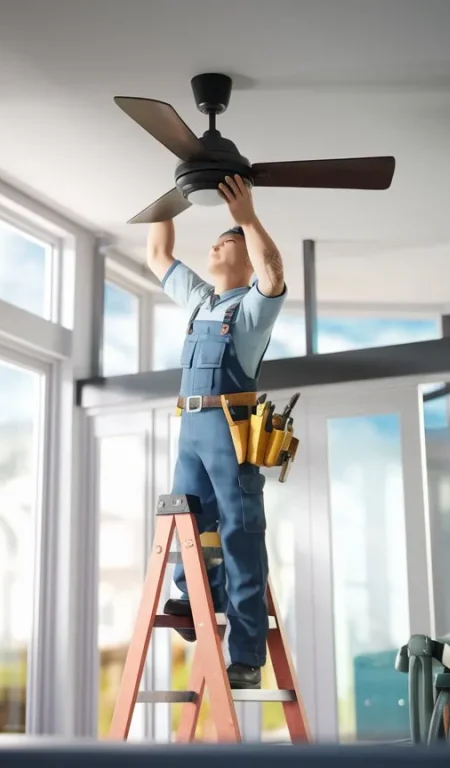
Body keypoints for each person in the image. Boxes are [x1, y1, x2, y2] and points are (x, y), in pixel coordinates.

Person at [144, 175, 286, 689]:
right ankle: (196, 594)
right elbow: (158, 253)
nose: (216, 243)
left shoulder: (251, 312)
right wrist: (173, 191)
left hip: (231, 431)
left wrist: (247, 217)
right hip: (190, 429)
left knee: (240, 536)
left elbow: (274, 272)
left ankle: (246, 655)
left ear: (245, 256)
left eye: (228, 241)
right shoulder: (202, 303)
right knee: (188, 521)